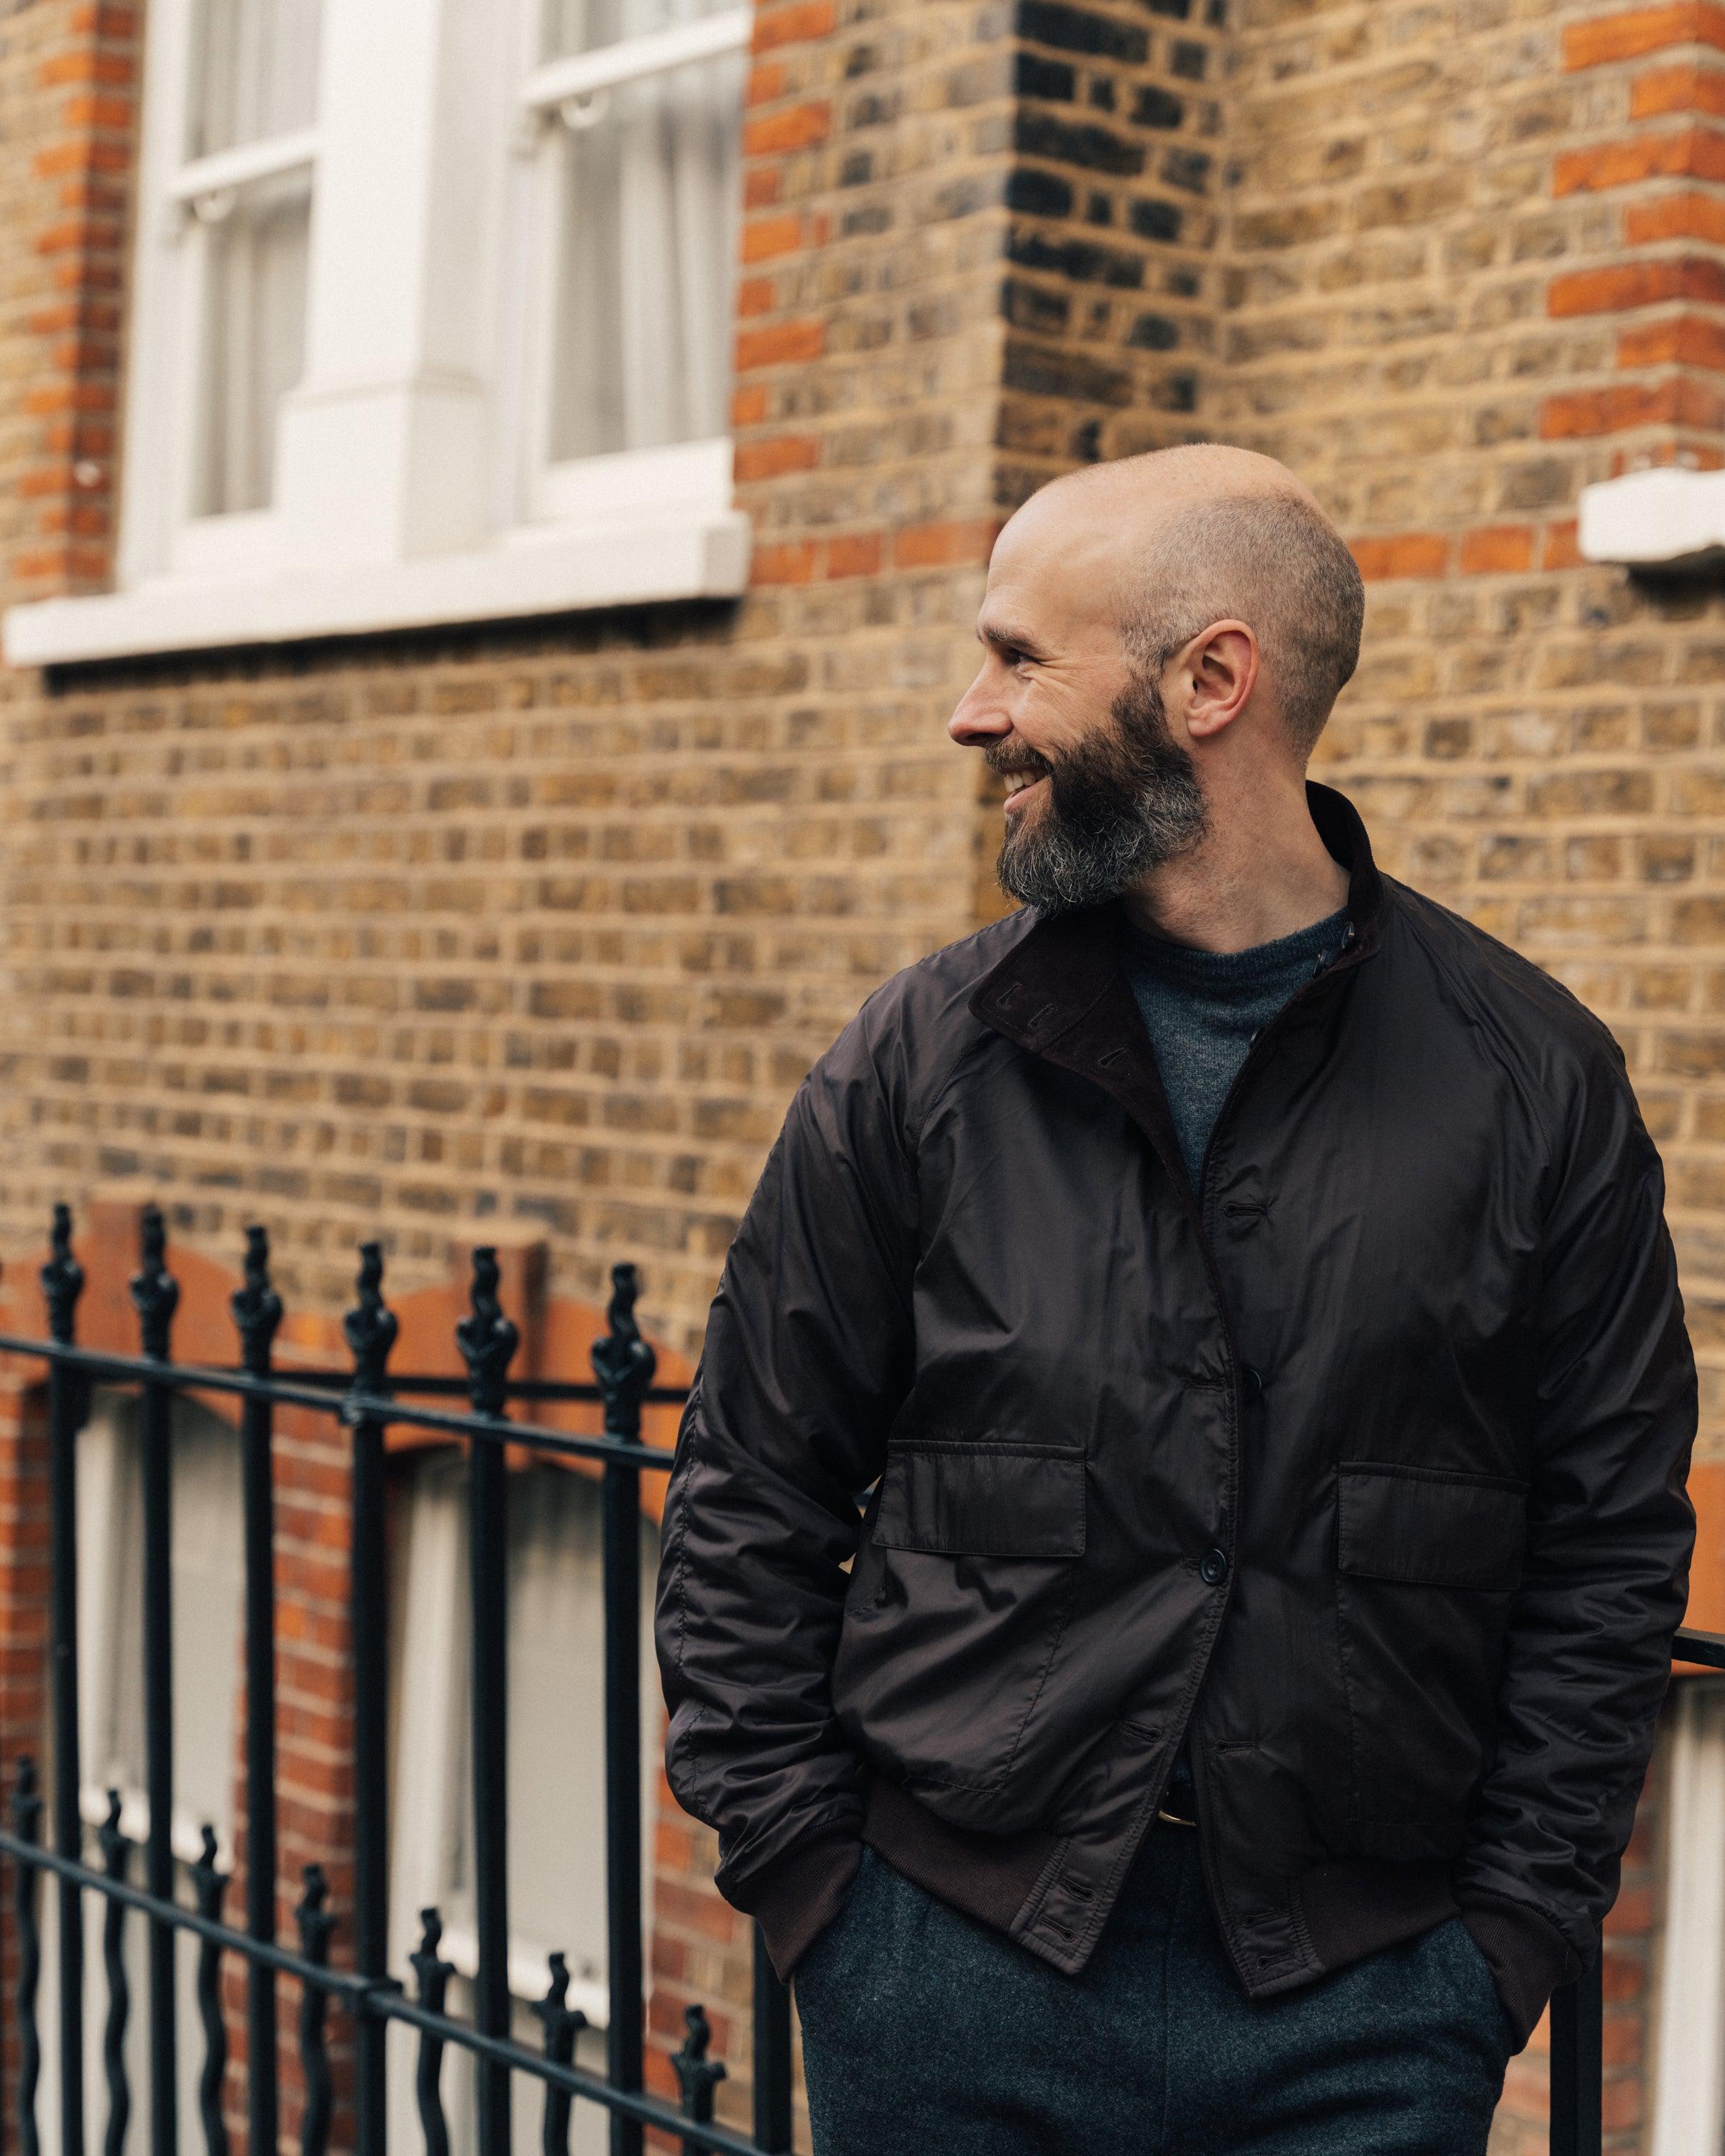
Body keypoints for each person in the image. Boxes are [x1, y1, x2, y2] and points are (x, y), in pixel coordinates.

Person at [653, 444, 1697, 2154]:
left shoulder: (1536, 1082)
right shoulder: (920, 1058)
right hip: (943, 1976)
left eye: (1018, 659)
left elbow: (1609, 1550)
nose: (970, 715)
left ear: (1213, 681)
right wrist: (815, 1895)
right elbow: (748, 1490)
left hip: (1363, 2016)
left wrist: (1499, 1947)